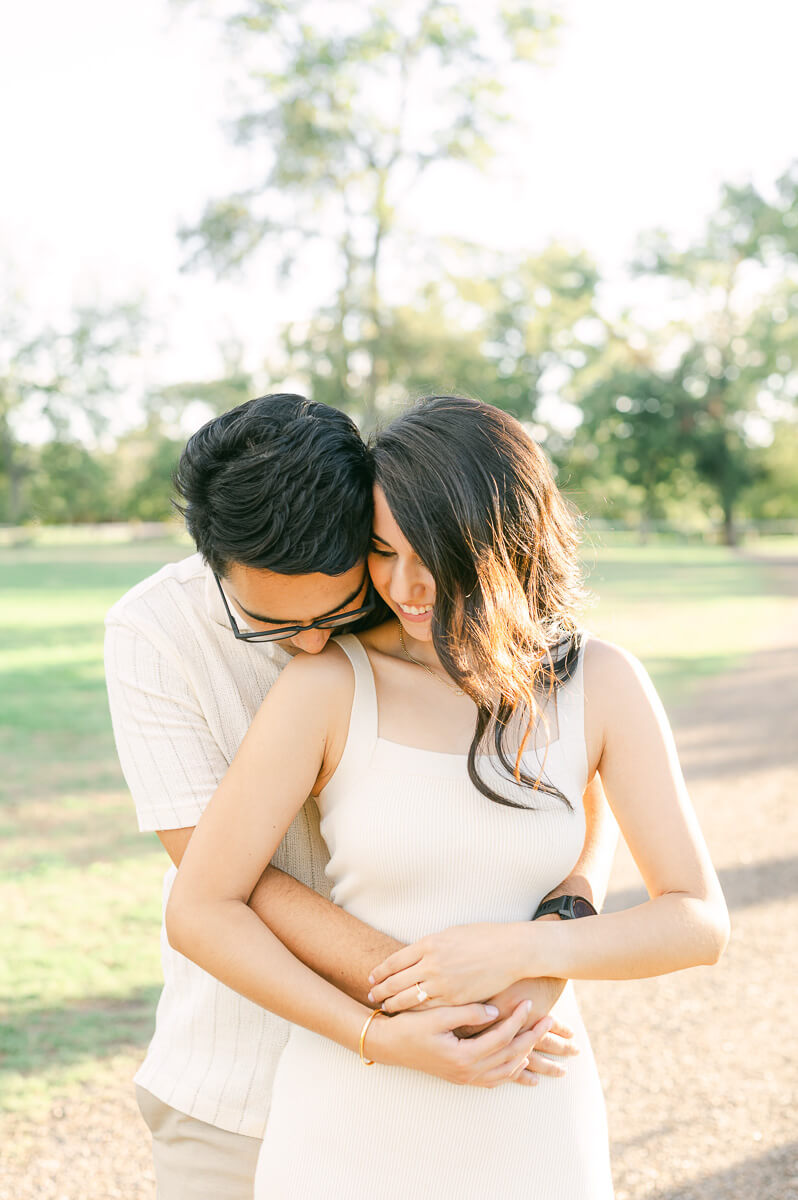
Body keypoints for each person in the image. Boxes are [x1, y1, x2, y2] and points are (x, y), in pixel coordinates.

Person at [166, 394, 729, 1199]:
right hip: (349, 1119)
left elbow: (698, 921)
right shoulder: (329, 684)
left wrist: (528, 950)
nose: (406, 585)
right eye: (382, 550)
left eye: (434, 553)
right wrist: (375, 1036)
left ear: (505, 543)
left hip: (531, 1108)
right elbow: (202, 906)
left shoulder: (602, 684)